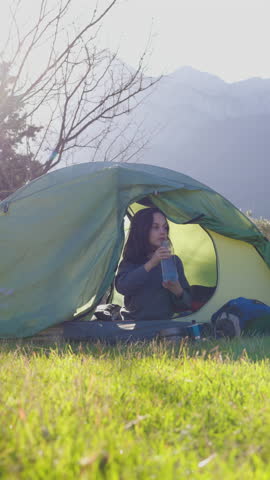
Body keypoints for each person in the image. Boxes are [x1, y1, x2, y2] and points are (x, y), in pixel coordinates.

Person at [115, 207, 191, 321]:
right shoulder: (131, 260)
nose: (162, 232)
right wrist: (151, 263)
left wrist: (178, 291)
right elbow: (123, 287)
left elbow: (186, 304)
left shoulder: (174, 261)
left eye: (165, 227)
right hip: (133, 324)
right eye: (155, 227)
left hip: (164, 325)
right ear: (142, 230)